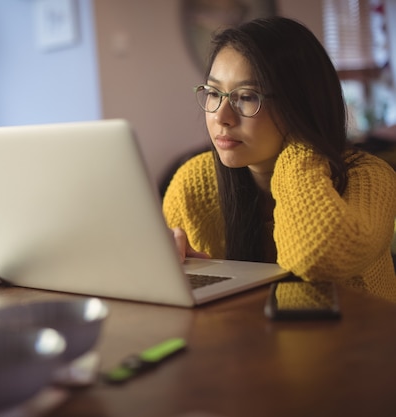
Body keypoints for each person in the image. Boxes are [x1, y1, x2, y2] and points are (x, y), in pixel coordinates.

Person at [162, 16, 396, 302]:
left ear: (299, 104)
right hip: (240, 342)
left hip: (360, 343)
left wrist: (301, 147)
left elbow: (318, 257)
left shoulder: (369, 177)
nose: (220, 117)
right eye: (213, 93)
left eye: (246, 97)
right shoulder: (193, 182)